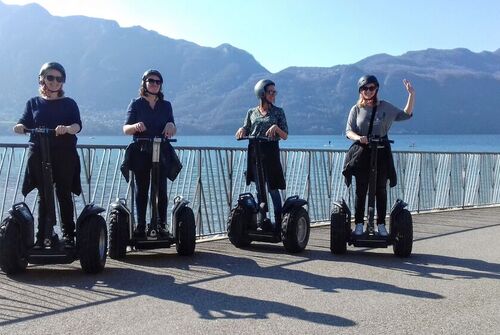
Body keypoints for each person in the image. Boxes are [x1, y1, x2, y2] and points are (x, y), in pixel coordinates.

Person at [13, 62, 82, 248]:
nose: (54, 82)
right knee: (44, 194)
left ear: (63, 82)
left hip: (64, 154)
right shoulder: (33, 103)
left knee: (63, 193)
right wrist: (19, 127)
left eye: (59, 79)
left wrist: (66, 128)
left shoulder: (69, 103)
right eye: (50, 77)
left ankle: (69, 235)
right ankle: (43, 235)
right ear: (42, 79)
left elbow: (77, 126)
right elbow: (22, 122)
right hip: (39, 154)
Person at [345, 75, 415, 236]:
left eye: (371, 88)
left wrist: (411, 95)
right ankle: (359, 224)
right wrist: (359, 138)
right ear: (360, 91)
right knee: (361, 189)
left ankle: (381, 224)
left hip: (382, 151)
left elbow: (405, 114)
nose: (368, 91)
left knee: (380, 189)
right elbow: (348, 131)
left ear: (376, 89)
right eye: (364, 89)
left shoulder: (385, 107)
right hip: (363, 151)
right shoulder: (356, 109)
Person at [123, 69, 176, 237]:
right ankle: (140, 225)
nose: (154, 84)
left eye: (157, 82)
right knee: (142, 189)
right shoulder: (136, 103)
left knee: (161, 189)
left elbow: (172, 127)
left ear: (161, 85)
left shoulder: (166, 105)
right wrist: (135, 126)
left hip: (161, 150)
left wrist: (170, 126)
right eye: (151, 81)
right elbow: (126, 129)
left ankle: (161, 224)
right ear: (144, 83)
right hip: (141, 150)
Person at [235, 79, 288, 229]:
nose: (273, 94)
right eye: (270, 92)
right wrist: (241, 130)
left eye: (274, 92)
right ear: (262, 94)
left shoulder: (278, 112)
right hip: (255, 152)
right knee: (259, 188)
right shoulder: (251, 112)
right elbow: (246, 127)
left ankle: (279, 222)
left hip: (270, 153)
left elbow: (285, 135)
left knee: (272, 187)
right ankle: (262, 220)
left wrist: (276, 128)